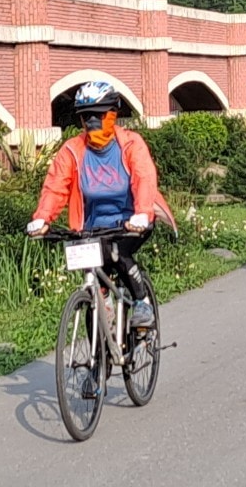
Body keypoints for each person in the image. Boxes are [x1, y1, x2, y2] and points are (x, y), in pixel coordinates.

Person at [25, 81, 175, 328]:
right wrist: (43, 218)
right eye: (86, 117)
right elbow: (55, 186)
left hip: (131, 221)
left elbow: (144, 179)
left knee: (118, 252)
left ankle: (141, 300)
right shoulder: (72, 150)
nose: (91, 122)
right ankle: (91, 362)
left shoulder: (130, 144)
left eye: (98, 116)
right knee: (92, 285)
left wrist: (142, 214)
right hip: (92, 226)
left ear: (112, 115)